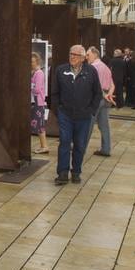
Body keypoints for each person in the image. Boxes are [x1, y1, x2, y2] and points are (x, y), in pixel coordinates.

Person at [51, 43, 101, 185]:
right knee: (65, 143)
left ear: (83, 58)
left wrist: (91, 110)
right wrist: (58, 110)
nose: (72, 57)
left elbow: (97, 93)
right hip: (65, 114)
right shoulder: (61, 70)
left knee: (80, 145)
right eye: (71, 54)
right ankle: (62, 173)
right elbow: (54, 93)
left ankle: (76, 172)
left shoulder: (91, 71)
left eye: (76, 55)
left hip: (84, 116)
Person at [86, 46, 115, 157]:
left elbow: (93, 86)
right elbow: (112, 85)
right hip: (106, 99)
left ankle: (81, 147)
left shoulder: (92, 67)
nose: (86, 57)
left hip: (96, 99)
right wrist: (108, 95)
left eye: (88, 54)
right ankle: (106, 149)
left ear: (95, 54)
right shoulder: (106, 67)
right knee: (104, 125)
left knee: (88, 124)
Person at [30, 52, 48, 154]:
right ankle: (43, 146)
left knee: (40, 125)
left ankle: (44, 146)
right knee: (39, 126)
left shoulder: (39, 73)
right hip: (34, 102)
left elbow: (37, 89)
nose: (31, 63)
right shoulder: (34, 72)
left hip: (38, 102)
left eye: (32, 61)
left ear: (37, 61)